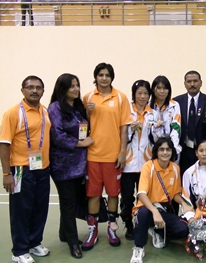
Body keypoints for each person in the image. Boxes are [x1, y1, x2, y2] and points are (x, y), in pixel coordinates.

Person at [0, 75, 51, 263]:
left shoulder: (44, 111)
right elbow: (4, 144)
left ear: (43, 91)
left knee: (40, 208)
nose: (34, 91)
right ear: (23, 90)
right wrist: (7, 174)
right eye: (30, 87)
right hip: (21, 170)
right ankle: (19, 250)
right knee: (21, 210)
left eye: (38, 88)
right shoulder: (13, 113)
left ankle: (34, 242)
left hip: (42, 169)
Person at [82, 63, 132, 250]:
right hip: (93, 156)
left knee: (113, 194)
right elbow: (81, 126)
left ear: (112, 77)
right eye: (100, 75)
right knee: (93, 194)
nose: (104, 78)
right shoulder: (87, 97)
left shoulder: (120, 97)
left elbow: (124, 127)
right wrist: (87, 112)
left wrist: (122, 152)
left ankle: (112, 228)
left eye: (107, 75)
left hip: (113, 157)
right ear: (95, 77)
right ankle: (92, 230)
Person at [48, 73, 94, 259]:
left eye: (77, 85)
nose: (76, 89)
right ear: (62, 88)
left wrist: (89, 114)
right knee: (68, 204)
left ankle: (64, 233)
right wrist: (81, 144)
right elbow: (57, 135)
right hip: (63, 166)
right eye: (71, 86)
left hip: (79, 165)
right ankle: (74, 243)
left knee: (72, 202)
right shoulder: (55, 108)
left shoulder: (78, 108)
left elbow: (85, 129)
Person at [130, 137, 194, 263]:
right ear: (156, 152)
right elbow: (141, 194)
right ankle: (139, 248)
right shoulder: (148, 167)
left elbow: (175, 193)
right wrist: (154, 211)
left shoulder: (175, 168)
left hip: (164, 209)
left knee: (183, 229)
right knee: (143, 214)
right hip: (147, 208)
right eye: (162, 149)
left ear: (172, 152)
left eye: (168, 149)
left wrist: (184, 204)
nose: (165, 152)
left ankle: (157, 230)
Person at [120, 79, 154, 240]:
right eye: (139, 93)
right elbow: (120, 137)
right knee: (127, 198)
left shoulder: (153, 114)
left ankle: (144, 224)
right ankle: (128, 225)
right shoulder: (126, 112)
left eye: (145, 93)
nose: (142, 96)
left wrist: (157, 128)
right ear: (134, 94)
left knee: (145, 196)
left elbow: (157, 139)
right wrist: (129, 130)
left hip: (146, 164)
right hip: (128, 163)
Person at [173, 70, 206, 176]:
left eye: (195, 81)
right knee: (183, 179)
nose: (192, 84)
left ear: (201, 83)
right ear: (184, 84)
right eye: (189, 81)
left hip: (203, 151)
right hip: (183, 150)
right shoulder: (176, 102)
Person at [149, 75, 182, 162]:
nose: (162, 91)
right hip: (152, 148)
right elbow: (147, 128)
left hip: (170, 148)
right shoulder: (148, 106)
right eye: (159, 88)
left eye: (165, 88)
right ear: (153, 89)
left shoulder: (174, 105)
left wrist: (171, 149)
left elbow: (176, 128)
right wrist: (154, 127)